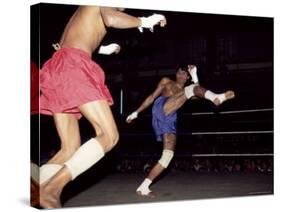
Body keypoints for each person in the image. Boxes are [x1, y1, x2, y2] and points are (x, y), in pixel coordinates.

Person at [39, 6, 167, 208]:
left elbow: (75, 38)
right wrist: (144, 21)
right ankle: (51, 190)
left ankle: (35, 188)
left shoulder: (83, 10)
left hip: (58, 66)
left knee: (69, 147)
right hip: (74, 65)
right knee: (109, 135)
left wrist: (101, 48)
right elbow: (111, 18)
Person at [126, 65, 235, 197]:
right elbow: (152, 96)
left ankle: (143, 187)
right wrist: (136, 112)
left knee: (167, 156)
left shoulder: (186, 91)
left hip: (171, 118)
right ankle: (217, 98)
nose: (181, 75)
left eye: (184, 74)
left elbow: (198, 91)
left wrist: (195, 75)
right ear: (176, 74)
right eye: (179, 72)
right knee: (190, 90)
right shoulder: (166, 81)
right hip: (161, 108)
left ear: (187, 77)